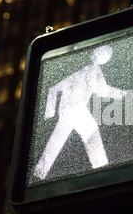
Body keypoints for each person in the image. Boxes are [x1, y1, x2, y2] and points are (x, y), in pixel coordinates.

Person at [34, 45, 126, 180]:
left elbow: (54, 88)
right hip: (75, 109)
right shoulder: (90, 69)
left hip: (68, 111)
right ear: (99, 54)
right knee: (91, 133)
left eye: (108, 55)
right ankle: (102, 170)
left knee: (57, 140)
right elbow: (102, 90)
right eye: (105, 54)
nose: (106, 57)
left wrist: (50, 112)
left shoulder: (85, 68)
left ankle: (39, 172)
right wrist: (120, 94)